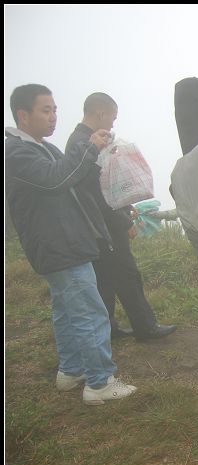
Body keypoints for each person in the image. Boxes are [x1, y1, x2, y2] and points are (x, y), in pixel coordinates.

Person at [5, 84, 136, 405]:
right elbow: (56, 179)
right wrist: (88, 148)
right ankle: (100, 382)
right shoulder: (16, 152)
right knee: (90, 312)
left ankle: (71, 370)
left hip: (62, 243)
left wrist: (98, 155)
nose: (53, 117)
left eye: (55, 110)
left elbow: (70, 178)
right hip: (59, 245)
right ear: (23, 115)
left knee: (66, 310)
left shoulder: (42, 147)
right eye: (45, 110)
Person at [65, 93, 176, 341]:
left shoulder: (80, 140)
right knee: (126, 274)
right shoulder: (85, 144)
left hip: (97, 225)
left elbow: (106, 186)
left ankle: (109, 328)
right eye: (112, 118)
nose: (113, 124)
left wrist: (127, 207)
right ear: (100, 113)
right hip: (104, 225)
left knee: (105, 278)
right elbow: (97, 194)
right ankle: (145, 328)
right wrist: (124, 222)